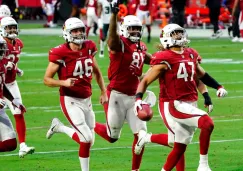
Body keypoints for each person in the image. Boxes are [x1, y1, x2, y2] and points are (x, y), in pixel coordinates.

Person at [134, 23, 228, 171]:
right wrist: (138, 98)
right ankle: (203, 165)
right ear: (167, 38)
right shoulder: (164, 57)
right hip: (174, 103)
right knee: (207, 123)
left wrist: (217, 87)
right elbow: (146, 80)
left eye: (179, 33)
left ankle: (146, 138)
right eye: (174, 34)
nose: (179, 36)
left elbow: (201, 75)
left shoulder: (190, 53)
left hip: (190, 102)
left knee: (178, 146)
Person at [94, 1, 152, 170]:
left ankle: (135, 169)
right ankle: (88, 123)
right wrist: (113, 16)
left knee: (141, 136)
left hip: (134, 96)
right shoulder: (119, 44)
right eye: (131, 28)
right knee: (112, 137)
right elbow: (111, 39)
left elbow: (151, 59)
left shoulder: (141, 46)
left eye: (137, 28)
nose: (134, 31)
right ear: (124, 29)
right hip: (116, 95)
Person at [44, 17, 107, 171]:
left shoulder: (89, 47)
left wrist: (104, 91)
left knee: (89, 141)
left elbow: (97, 72)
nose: (79, 33)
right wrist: (63, 82)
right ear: (67, 33)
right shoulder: (60, 52)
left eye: (80, 30)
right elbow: (46, 79)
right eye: (75, 31)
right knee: (86, 138)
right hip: (70, 99)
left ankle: (59, 127)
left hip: (87, 98)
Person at [0, 16, 35, 158]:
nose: (12, 30)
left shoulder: (18, 43)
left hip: (9, 84)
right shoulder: (2, 43)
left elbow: (11, 62)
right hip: (2, 83)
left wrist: (15, 69)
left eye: (14, 27)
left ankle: (22, 146)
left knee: (18, 111)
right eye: (9, 28)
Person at [0, 35, 22, 153]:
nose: (2, 50)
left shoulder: (2, 61)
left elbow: (1, 85)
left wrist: (13, 100)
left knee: (10, 144)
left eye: (2, 47)